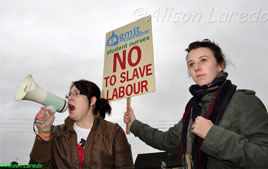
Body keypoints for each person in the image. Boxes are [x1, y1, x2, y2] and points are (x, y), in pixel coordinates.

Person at [124, 39, 268, 169]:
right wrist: (134, 124)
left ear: (220, 65)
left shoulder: (244, 101)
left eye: (203, 60)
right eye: (191, 64)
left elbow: (263, 158)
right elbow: (166, 141)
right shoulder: (193, 109)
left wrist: (212, 135)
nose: (196, 67)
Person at [30, 80, 134, 169]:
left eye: (76, 93)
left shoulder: (113, 133)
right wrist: (43, 132)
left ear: (92, 100)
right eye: (69, 94)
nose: (70, 98)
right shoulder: (56, 134)